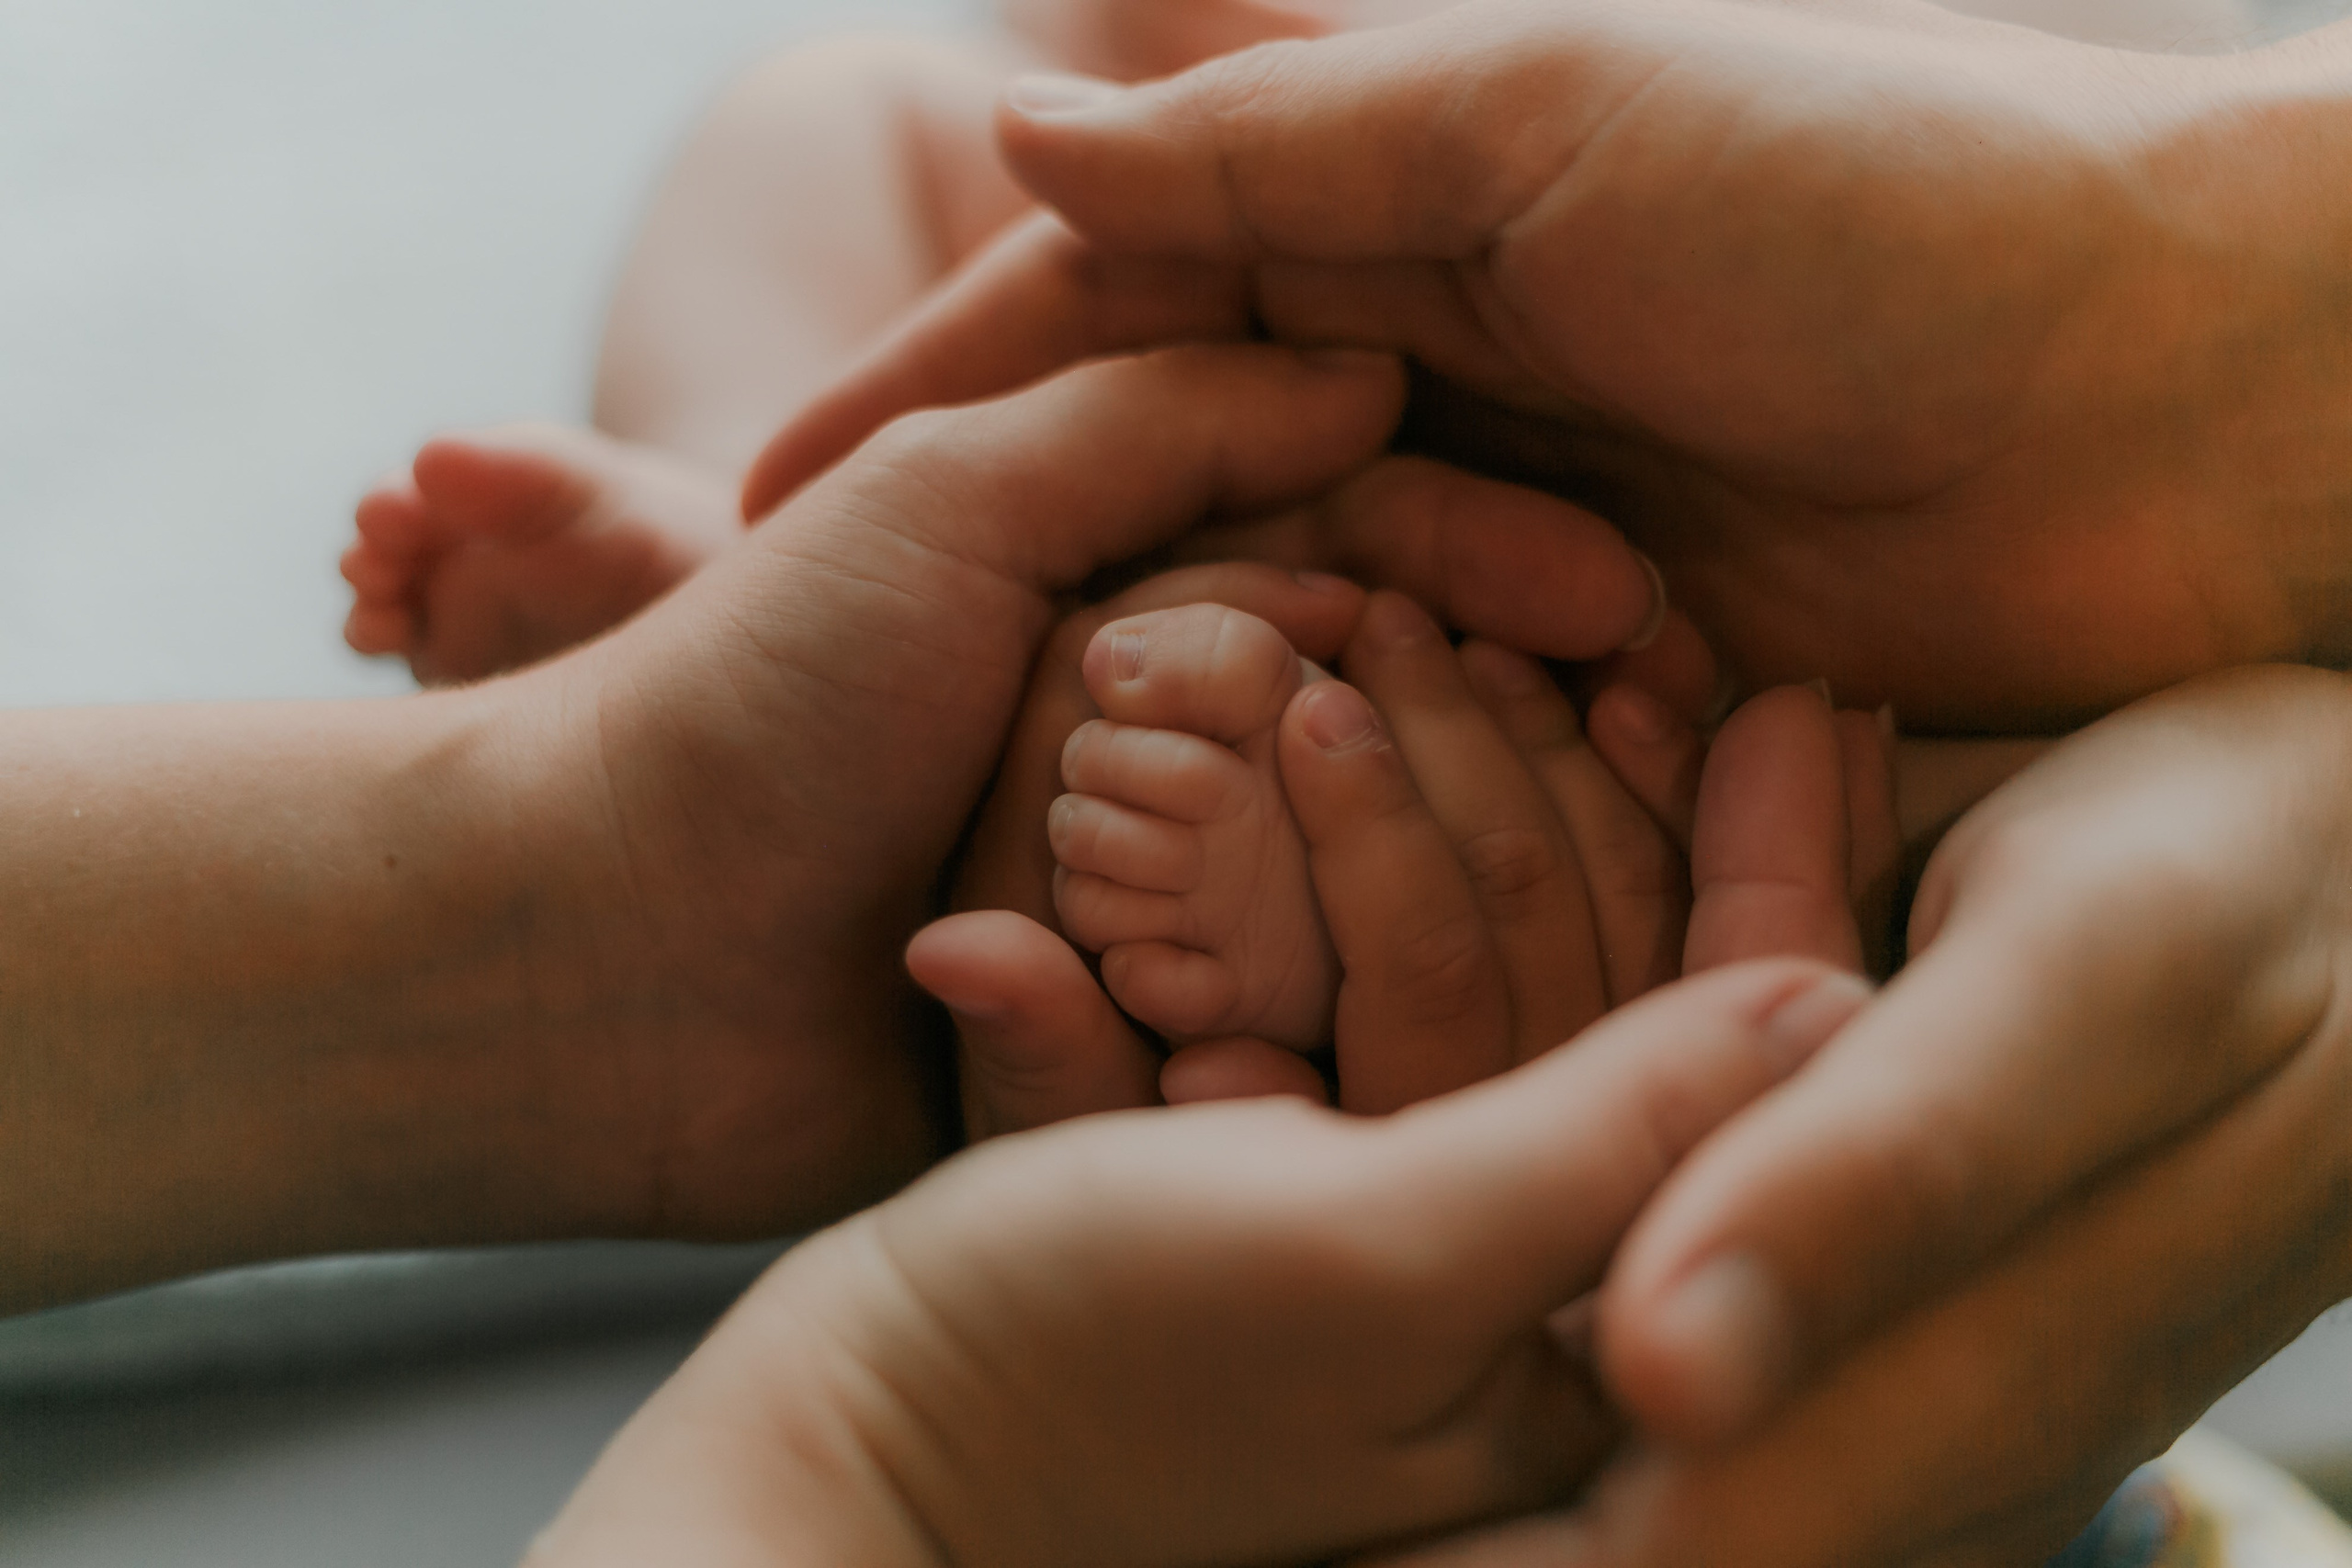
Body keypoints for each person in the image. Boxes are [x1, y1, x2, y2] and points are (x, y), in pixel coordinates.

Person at [719, 1, 2352, 1558]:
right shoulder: (953, 132)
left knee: (1835, 807)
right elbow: (833, 173)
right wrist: (735, 528)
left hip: (1842, 890)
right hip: (1502, 776)